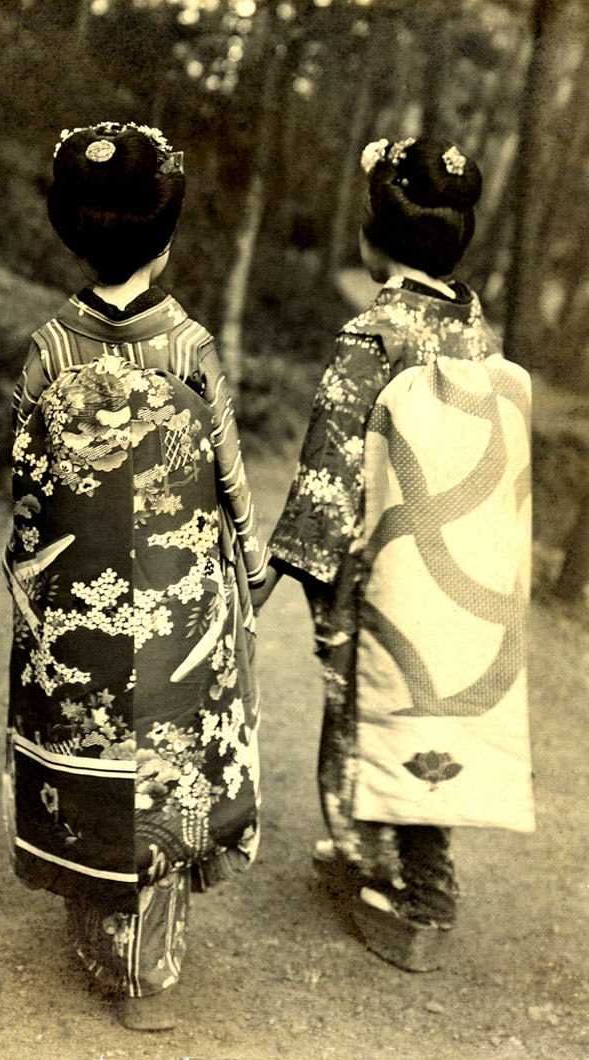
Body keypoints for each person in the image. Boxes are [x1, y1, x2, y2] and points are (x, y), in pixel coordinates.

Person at [3, 121, 268, 1028]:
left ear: (65, 226)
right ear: (169, 234)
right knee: (168, 756)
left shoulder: (49, 350)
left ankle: (97, 926)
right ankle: (150, 960)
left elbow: (27, 498)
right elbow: (230, 482)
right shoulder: (190, 348)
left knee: (87, 752)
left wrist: (33, 584)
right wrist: (253, 567)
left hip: (78, 604)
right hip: (178, 614)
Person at [256, 136, 534, 971]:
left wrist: (282, 562)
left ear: (373, 238)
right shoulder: (478, 334)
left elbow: (332, 465)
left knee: (361, 703)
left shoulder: (371, 334)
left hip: (377, 561)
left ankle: (401, 878)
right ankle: (413, 856)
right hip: (453, 561)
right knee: (425, 698)